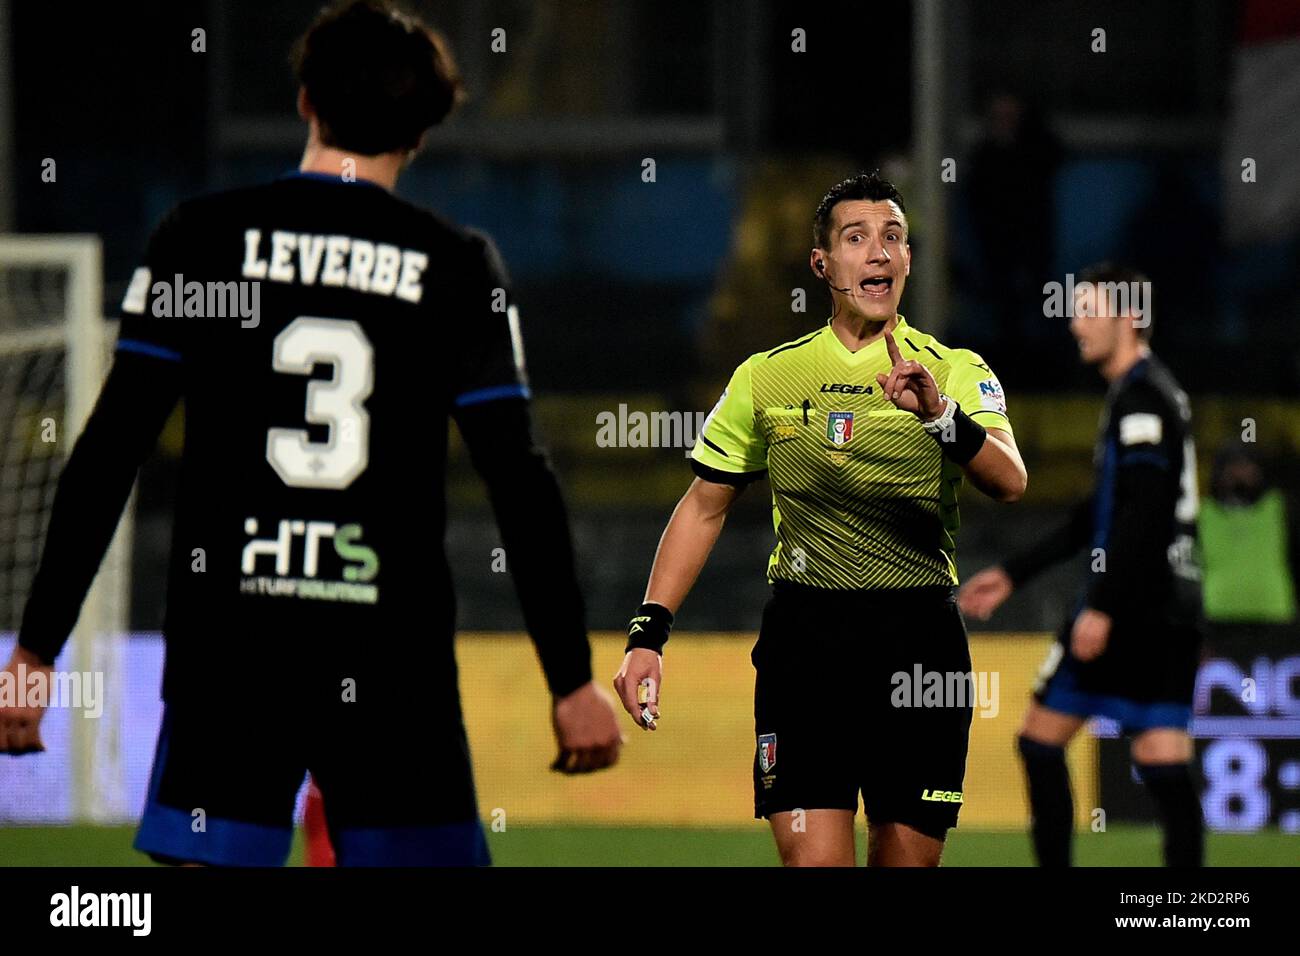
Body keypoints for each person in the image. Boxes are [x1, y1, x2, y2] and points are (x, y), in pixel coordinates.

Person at [0, 0, 622, 866]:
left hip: (230, 653)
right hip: (391, 657)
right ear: (423, 130)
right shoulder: (455, 268)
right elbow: (520, 481)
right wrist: (569, 678)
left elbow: (110, 452)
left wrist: (34, 650)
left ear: (305, 102)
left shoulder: (200, 241)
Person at [615, 171, 1027, 867]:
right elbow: (704, 504)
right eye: (857, 238)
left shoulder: (954, 371)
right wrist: (647, 634)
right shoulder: (766, 377)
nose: (878, 253)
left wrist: (938, 418)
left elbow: (1009, 480)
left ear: (907, 260)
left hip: (919, 643)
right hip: (807, 645)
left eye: (892, 238)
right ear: (822, 264)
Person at [960, 263, 1204, 867]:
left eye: (1090, 310)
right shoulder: (1147, 393)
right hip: (1171, 607)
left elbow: (1144, 518)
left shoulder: (1142, 400)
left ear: (1129, 318)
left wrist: (1102, 606)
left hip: (1136, 604)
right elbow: (1101, 511)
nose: (1076, 324)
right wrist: (1015, 572)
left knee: (1040, 741)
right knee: (1161, 759)